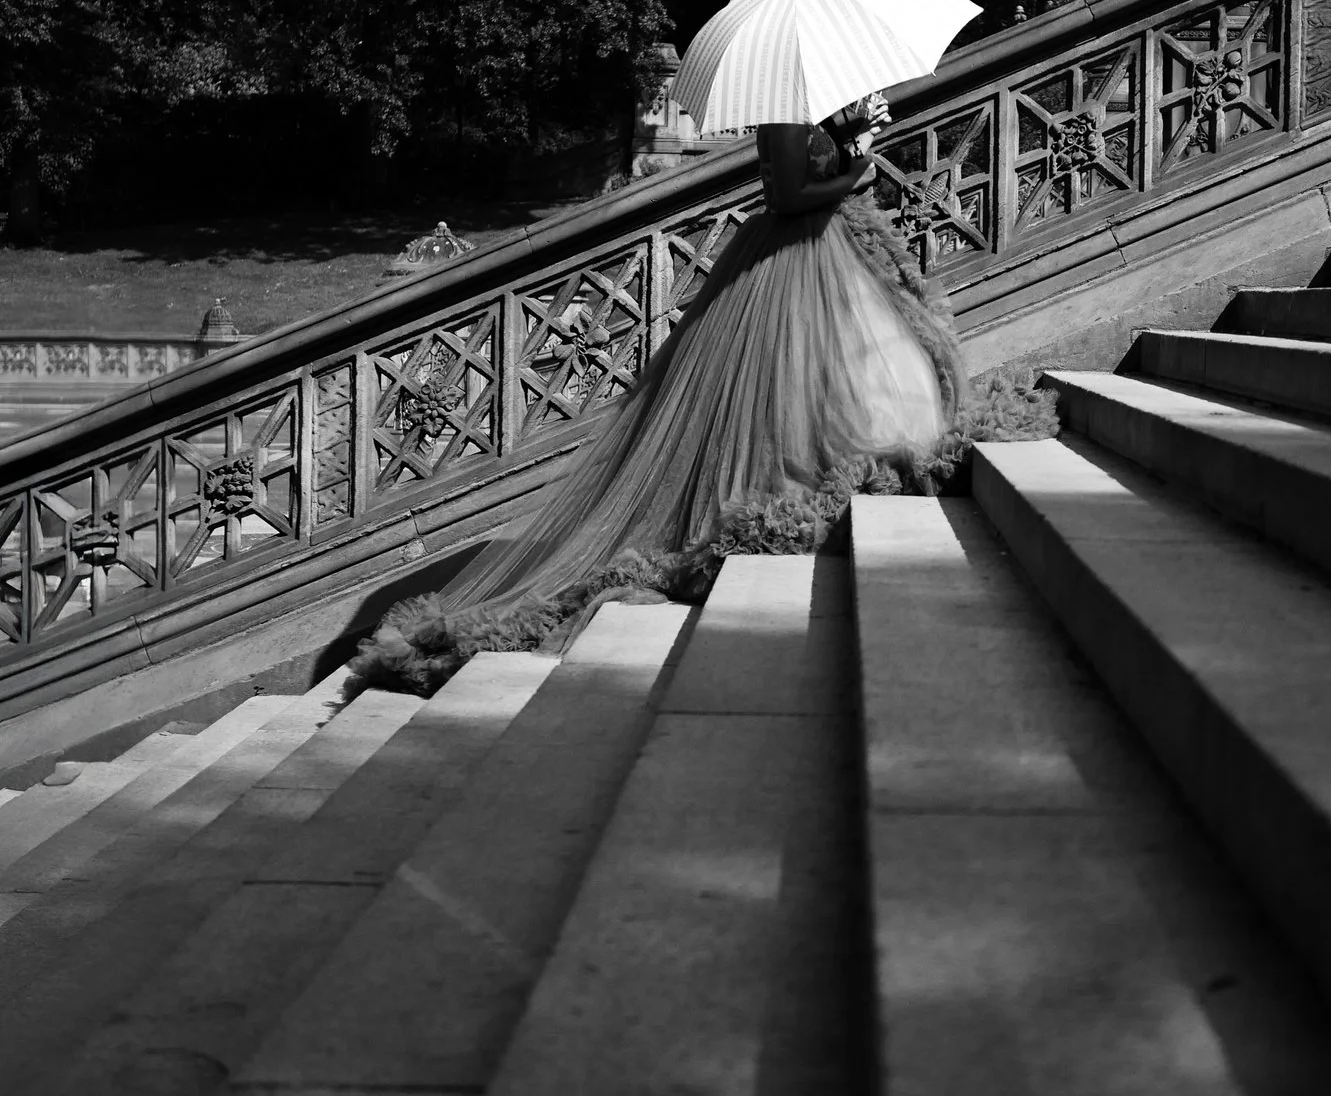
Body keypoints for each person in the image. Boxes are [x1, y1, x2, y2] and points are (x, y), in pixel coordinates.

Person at [360, 94, 962, 675]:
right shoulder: (782, 115)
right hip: (786, 262)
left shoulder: (814, 108)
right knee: (773, 393)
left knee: (836, 380)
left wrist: (852, 135)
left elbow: (818, 177)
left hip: (825, 254)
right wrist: (856, 166)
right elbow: (786, 194)